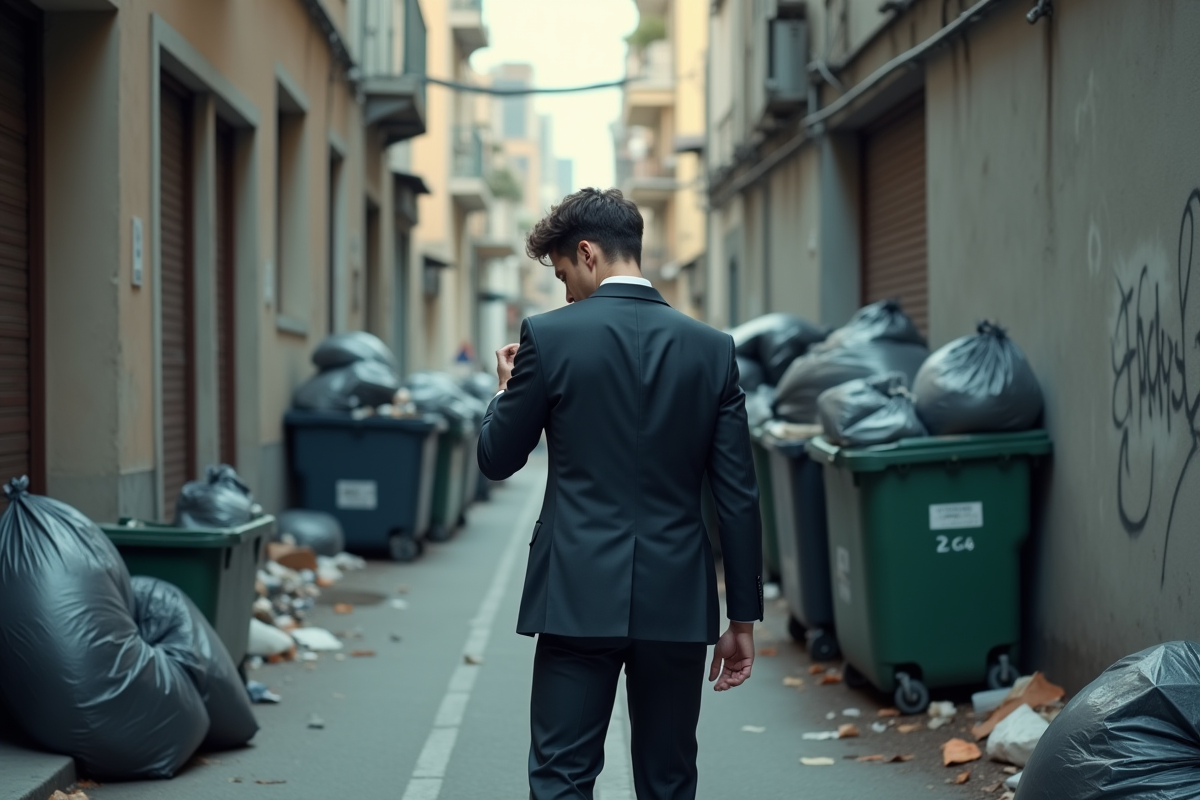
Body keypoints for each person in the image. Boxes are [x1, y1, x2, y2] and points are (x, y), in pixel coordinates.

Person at [477, 187, 762, 800]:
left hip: (576, 596)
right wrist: (742, 616)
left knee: (561, 776)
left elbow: (498, 460)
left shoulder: (547, 340)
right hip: (677, 600)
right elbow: (738, 494)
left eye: (561, 275)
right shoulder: (713, 350)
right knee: (668, 781)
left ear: (587, 254)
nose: (565, 292)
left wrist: (504, 393)